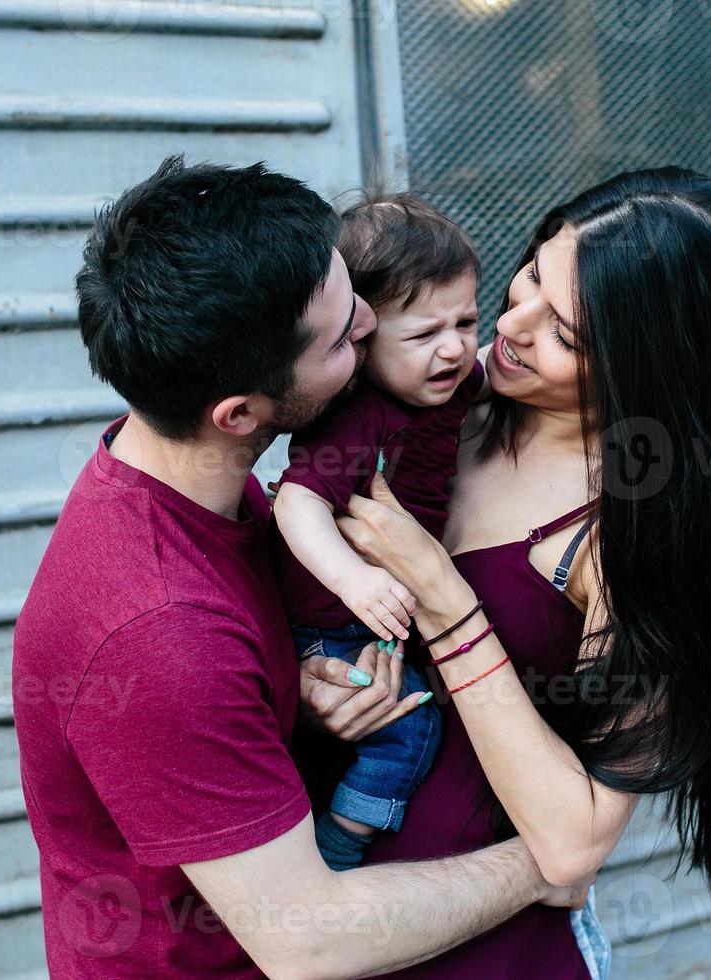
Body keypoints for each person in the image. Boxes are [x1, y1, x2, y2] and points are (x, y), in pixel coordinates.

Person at [12, 156, 590, 979]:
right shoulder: (156, 628)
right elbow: (309, 940)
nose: (368, 320)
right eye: (345, 334)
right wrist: (548, 860)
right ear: (241, 413)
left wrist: (309, 680)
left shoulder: (199, 487)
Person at [308, 167, 711, 977]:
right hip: (333, 916)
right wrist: (317, 685)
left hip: (492, 949)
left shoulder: (635, 530)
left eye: (566, 336)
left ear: (651, 369)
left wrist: (445, 602)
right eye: (531, 277)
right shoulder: (442, 387)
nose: (510, 324)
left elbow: (576, 839)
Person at [269, 194, 483, 870]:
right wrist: (352, 578)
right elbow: (296, 503)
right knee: (409, 726)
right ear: (360, 339)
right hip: (333, 620)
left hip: (387, 609)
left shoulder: (454, 381)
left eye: (468, 321)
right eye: (424, 334)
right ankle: (339, 845)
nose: (453, 347)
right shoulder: (356, 417)